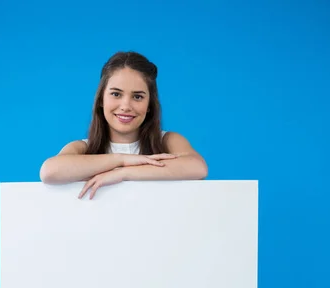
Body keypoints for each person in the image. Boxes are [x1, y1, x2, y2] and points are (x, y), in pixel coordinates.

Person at [40, 51, 208, 199]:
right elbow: (50, 171)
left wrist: (124, 173)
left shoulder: (168, 140)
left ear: (150, 104)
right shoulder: (83, 148)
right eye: (116, 94)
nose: (126, 106)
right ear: (101, 99)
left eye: (138, 97)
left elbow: (197, 167)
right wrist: (122, 159)